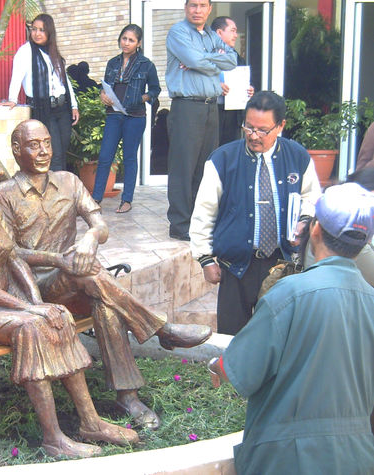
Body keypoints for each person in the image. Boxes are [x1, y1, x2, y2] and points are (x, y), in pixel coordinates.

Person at [0, 132, 138, 458]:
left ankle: (90, 421)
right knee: (31, 326)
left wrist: (39, 304)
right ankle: (53, 438)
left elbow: (13, 258)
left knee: (56, 316)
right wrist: (28, 310)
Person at [0, 119, 212, 429]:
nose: (44, 151)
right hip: (32, 291)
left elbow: (100, 226)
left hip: (75, 280)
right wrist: (59, 260)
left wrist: (88, 238)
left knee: (106, 305)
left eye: (47, 142)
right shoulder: (4, 195)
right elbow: (9, 253)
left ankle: (128, 396)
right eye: (34, 145)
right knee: (85, 272)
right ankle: (160, 328)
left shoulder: (69, 182)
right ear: (17, 151)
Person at [208, 182, 374, 474]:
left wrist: (216, 365)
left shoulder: (289, 295)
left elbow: (240, 372)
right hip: (357, 458)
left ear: (315, 230)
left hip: (288, 459)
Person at [190, 91, 321, 335]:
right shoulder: (222, 159)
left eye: (262, 130)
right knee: (232, 339)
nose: (253, 135)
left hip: (282, 265)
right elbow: (203, 213)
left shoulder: (297, 156)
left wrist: (304, 221)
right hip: (236, 265)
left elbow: (311, 197)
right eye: (248, 127)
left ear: (280, 126)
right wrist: (205, 258)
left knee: (276, 338)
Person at [165, 0, 237, 241]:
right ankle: (179, 224)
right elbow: (195, 61)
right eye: (193, 5)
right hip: (186, 107)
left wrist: (202, 59)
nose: (197, 10)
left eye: (202, 5)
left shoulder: (210, 36)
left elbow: (232, 60)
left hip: (210, 108)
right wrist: (209, 60)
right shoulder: (178, 32)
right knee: (183, 168)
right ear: (186, 8)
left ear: (210, 9)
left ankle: (198, 221)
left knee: (205, 168)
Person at [92, 24, 160, 214]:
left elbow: (155, 90)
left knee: (130, 158)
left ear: (139, 43)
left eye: (131, 40)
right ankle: (96, 198)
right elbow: (104, 86)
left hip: (135, 116)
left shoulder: (147, 65)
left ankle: (127, 199)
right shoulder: (112, 63)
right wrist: (102, 94)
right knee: (105, 156)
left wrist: (142, 98)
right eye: (124, 38)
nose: (126, 43)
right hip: (114, 114)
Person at [1, 14, 79, 171]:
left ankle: (60, 188)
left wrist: (74, 105)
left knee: (62, 152)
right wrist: (12, 99)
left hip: (62, 108)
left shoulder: (53, 52)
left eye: (42, 30)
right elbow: (17, 76)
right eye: (34, 29)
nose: (37, 33)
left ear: (49, 32)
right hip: (44, 109)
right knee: (53, 152)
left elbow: (64, 80)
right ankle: (56, 192)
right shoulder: (25, 52)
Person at [210, 16, 254, 146]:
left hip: (233, 113)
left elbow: (245, 80)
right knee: (211, 151)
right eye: (233, 31)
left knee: (230, 151)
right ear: (219, 32)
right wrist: (215, 86)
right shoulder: (205, 55)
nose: (235, 35)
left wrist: (249, 89)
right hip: (212, 111)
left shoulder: (237, 58)